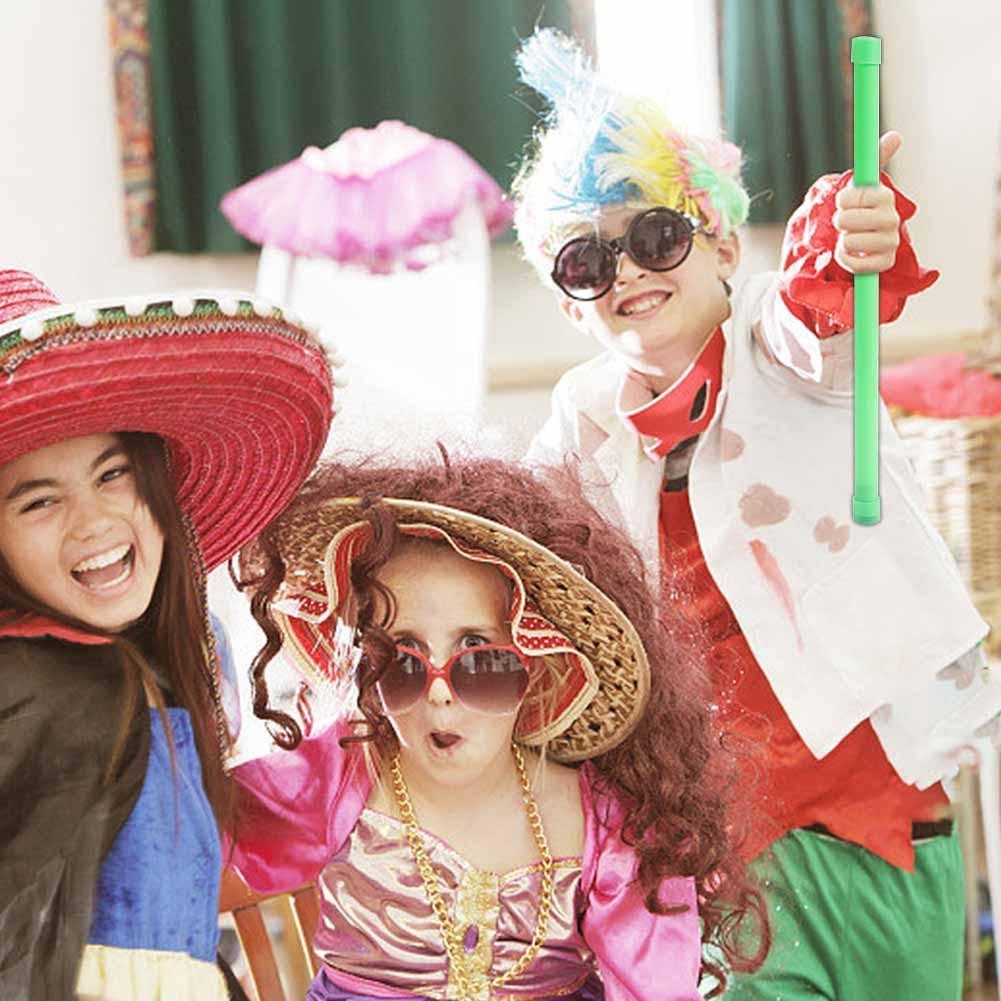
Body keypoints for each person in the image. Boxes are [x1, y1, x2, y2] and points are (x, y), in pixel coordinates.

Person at [513, 28, 1001, 999]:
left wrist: (846, 240)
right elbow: (516, 552)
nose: (626, 273)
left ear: (723, 243)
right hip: (720, 848)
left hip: (885, 811)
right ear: (570, 304)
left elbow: (817, 314)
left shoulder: (781, 348)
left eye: (654, 236)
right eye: (585, 261)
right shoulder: (579, 423)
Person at [228, 452, 769, 1000]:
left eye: (479, 659)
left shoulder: (606, 829)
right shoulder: (337, 775)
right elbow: (201, 822)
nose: (439, 693)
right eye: (402, 660)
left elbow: (658, 990)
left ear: (538, 665)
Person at [0, 268, 333, 1001]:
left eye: (112, 474)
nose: (93, 522)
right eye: (39, 501)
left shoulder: (139, 664)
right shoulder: (56, 688)